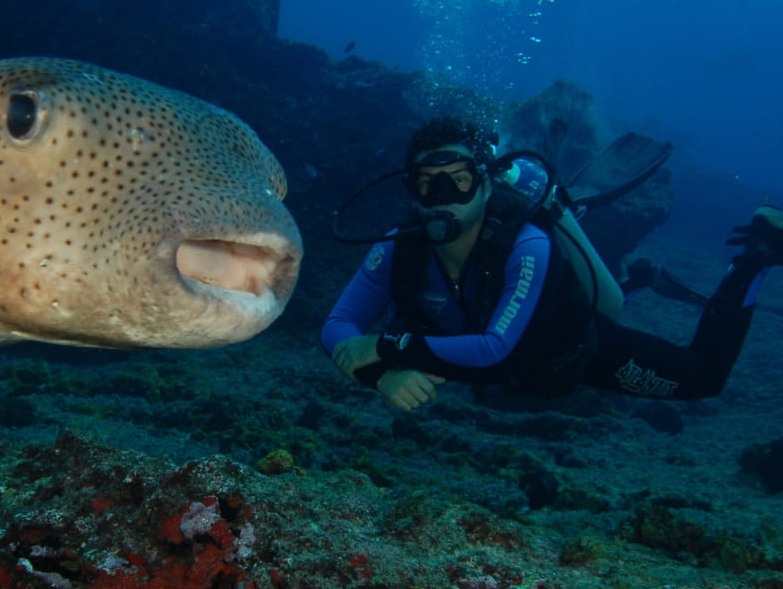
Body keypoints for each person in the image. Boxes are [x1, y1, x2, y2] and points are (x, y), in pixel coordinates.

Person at [321, 116, 782, 411]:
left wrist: (384, 348)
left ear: (485, 184)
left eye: (458, 181)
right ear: (412, 191)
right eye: (428, 184)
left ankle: (757, 258)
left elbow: (495, 349)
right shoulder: (397, 248)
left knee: (703, 379)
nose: (444, 200)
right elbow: (339, 324)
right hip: (490, 371)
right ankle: (640, 279)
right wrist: (384, 377)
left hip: (566, 353)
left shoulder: (527, 243)